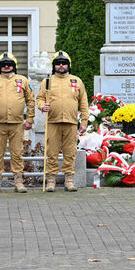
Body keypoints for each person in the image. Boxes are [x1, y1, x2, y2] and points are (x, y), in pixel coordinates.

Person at [0, 52, 35, 193]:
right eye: (4, 64)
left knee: (17, 153)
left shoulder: (23, 80)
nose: (7, 66)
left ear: (14, 66)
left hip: (17, 124)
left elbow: (31, 100)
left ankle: (19, 182)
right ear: (0, 66)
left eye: (9, 64)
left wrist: (30, 119)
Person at [36, 51, 89, 192]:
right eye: (58, 63)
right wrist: (42, 106)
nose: (61, 65)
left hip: (71, 122)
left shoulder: (76, 81)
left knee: (70, 152)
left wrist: (84, 122)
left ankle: (69, 180)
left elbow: (83, 102)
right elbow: (40, 98)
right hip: (53, 121)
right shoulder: (47, 81)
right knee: (51, 152)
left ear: (68, 65)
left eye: (63, 63)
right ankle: (51, 180)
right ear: (54, 66)